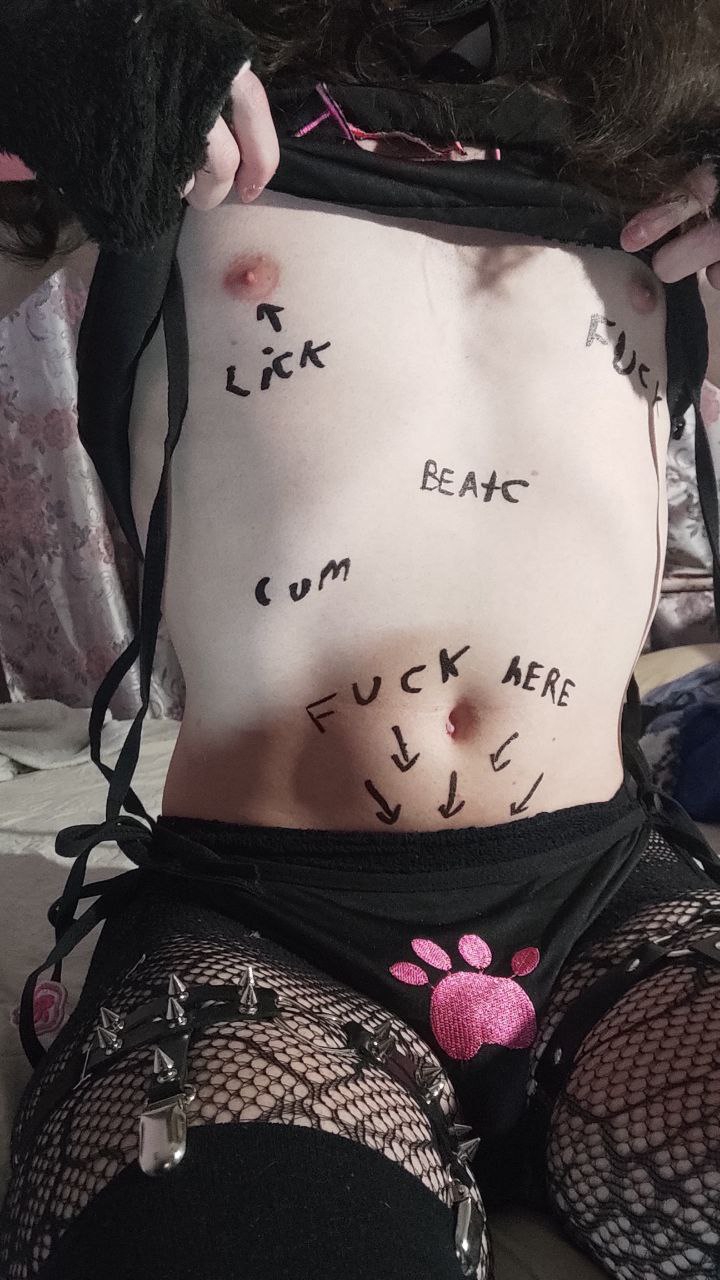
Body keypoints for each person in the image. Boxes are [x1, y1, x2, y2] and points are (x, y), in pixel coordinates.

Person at [1, 3, 720, 1278]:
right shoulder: (177, 88)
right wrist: (33, 60)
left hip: (608, 898)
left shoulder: (657, 144)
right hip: (263, 920)